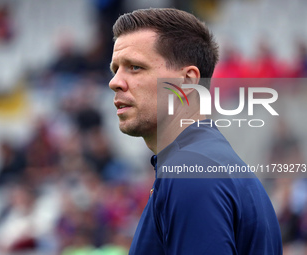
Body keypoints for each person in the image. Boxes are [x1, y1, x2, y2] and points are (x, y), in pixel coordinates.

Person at [109, 8, 282, 255]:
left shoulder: (190, 172)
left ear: (188, 81)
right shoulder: (207, 163)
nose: (115, 81)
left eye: (135, 67)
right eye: (115, 69)